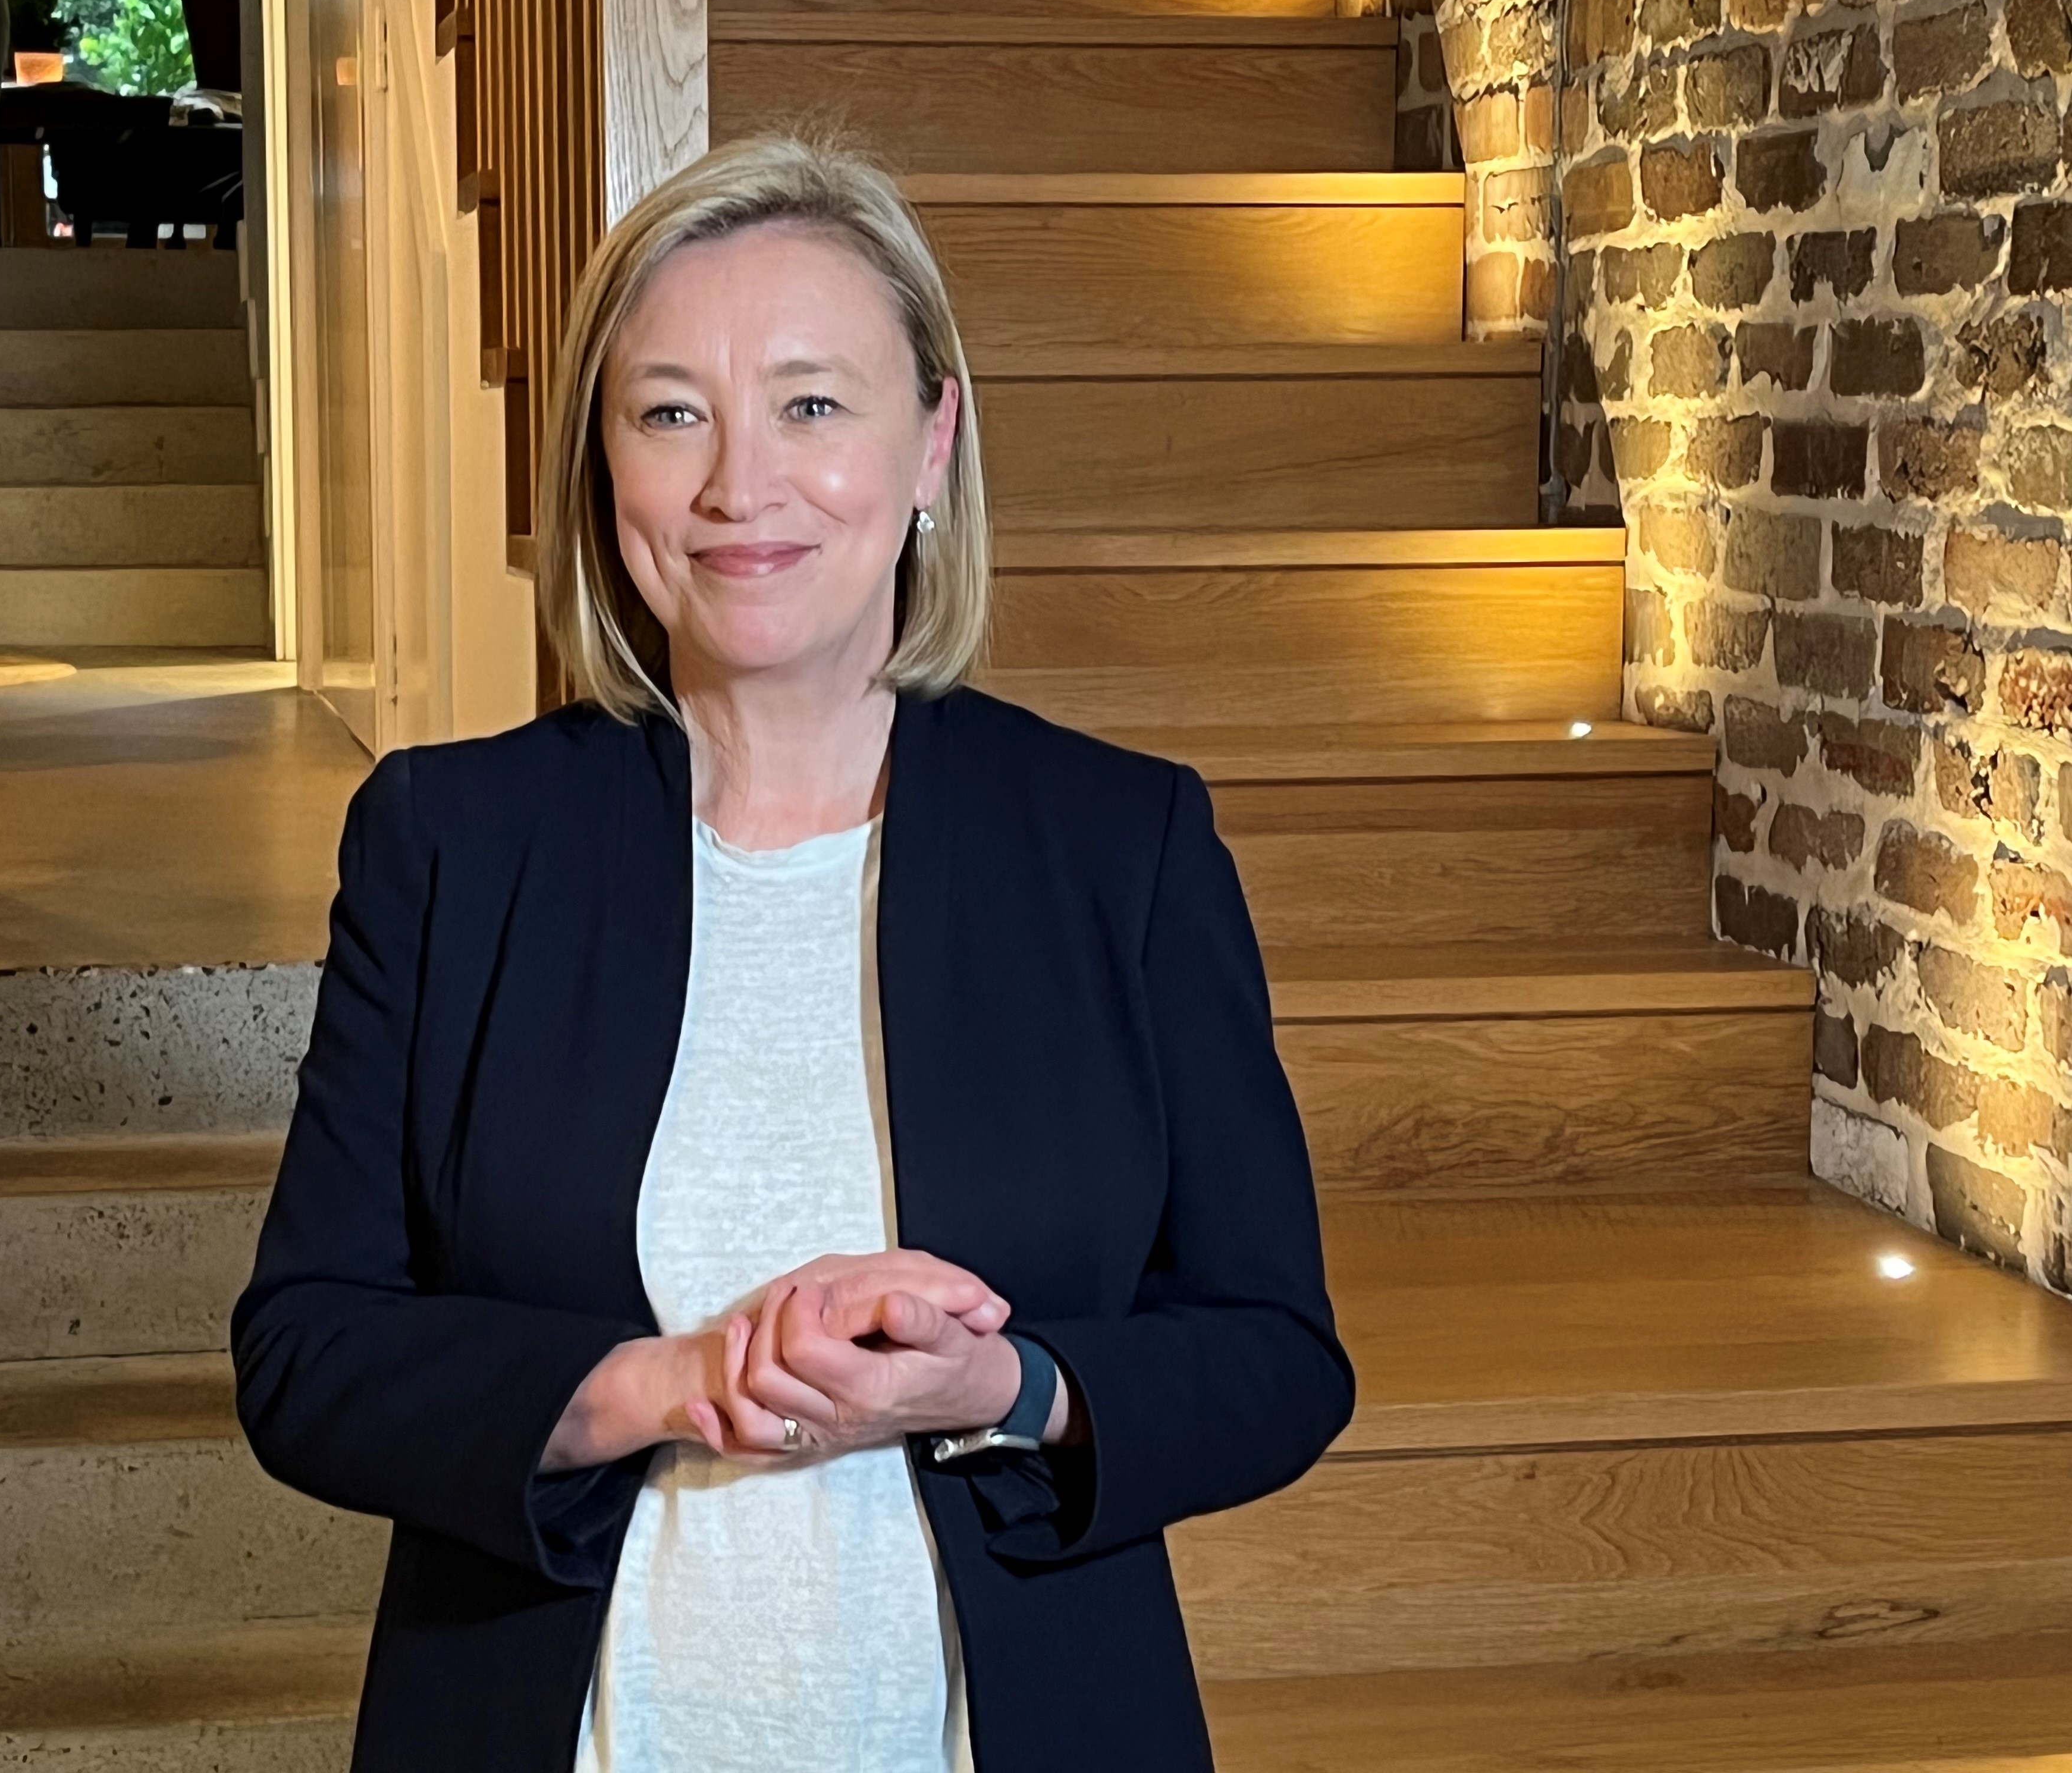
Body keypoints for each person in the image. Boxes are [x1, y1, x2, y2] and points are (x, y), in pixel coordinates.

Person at [231, 133, 1355, 1773]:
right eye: (671, 411)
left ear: (932, 441)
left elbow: (1275, 1357)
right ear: (603, 468)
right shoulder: (449, 843)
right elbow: (306, 1352)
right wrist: (665, 1386)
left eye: (813, 406)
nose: (737, 485)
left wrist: (1013, 1387)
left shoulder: (1124, 846)